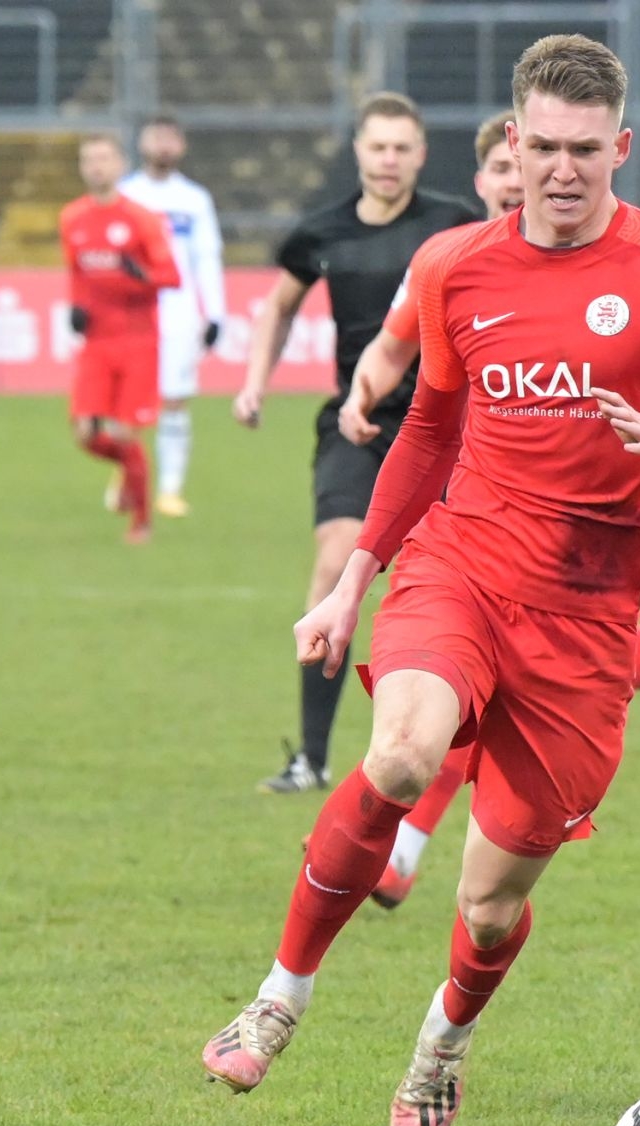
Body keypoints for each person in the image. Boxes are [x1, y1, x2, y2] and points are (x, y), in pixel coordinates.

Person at [201, 34, 640, 1126]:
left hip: (585, 617)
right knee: (400, 752)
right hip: (461, 564)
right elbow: (427, 428)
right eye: (541, 146)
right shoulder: (456, 266)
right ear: (510, 146)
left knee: (491, 901)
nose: (561, 169)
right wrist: (354, 581)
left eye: (585, 149)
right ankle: (280, 996)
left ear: (620, 147)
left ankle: (442, 1043)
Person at [339, 110, 640, 910]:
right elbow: (404, 358)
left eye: (576, 152)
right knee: (445, 684)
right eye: (508, 164)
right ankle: (407, 849)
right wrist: (365, 385)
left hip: (587, 565)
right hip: (475, 527)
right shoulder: (454, 263)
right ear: (494, 172)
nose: (529, 177)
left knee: (576, 684)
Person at [234, 92, 480, 794]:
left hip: (438, 430)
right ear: (359, 151)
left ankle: (457, 746)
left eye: (403, 147)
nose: (389, 160)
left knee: (456, 586)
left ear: (421, 155)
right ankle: (311, 757)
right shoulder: (321, 233)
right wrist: (256, 383)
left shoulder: (451, 225)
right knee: (335, 559)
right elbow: (279, 307)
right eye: (378, 146)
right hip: (356, 421)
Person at [59, 133, 180, 544]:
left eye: (104, 158)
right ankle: (131, 473)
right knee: (85, 434)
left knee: (127, 434)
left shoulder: (142, 219)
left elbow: (171, 276)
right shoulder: (72, 217)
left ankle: (141, 521)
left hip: (138, 340)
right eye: (88, 159)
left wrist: (138, 275)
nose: (96, 166)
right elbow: (77, 273)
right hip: (96, 340)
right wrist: (76, 306)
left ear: (120, 164)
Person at [119, 114, 228, 516]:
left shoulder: (194, 200)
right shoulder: (125, 195)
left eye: (170, 138)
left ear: (180, 146)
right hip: (132, 314)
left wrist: (214, 313)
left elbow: (207, 259)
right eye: (156, 136)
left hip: (179, 315)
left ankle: (169, 488)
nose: (163, 145)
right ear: (142, 142)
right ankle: (128, 477)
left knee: (175, 399)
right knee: (125, 401)